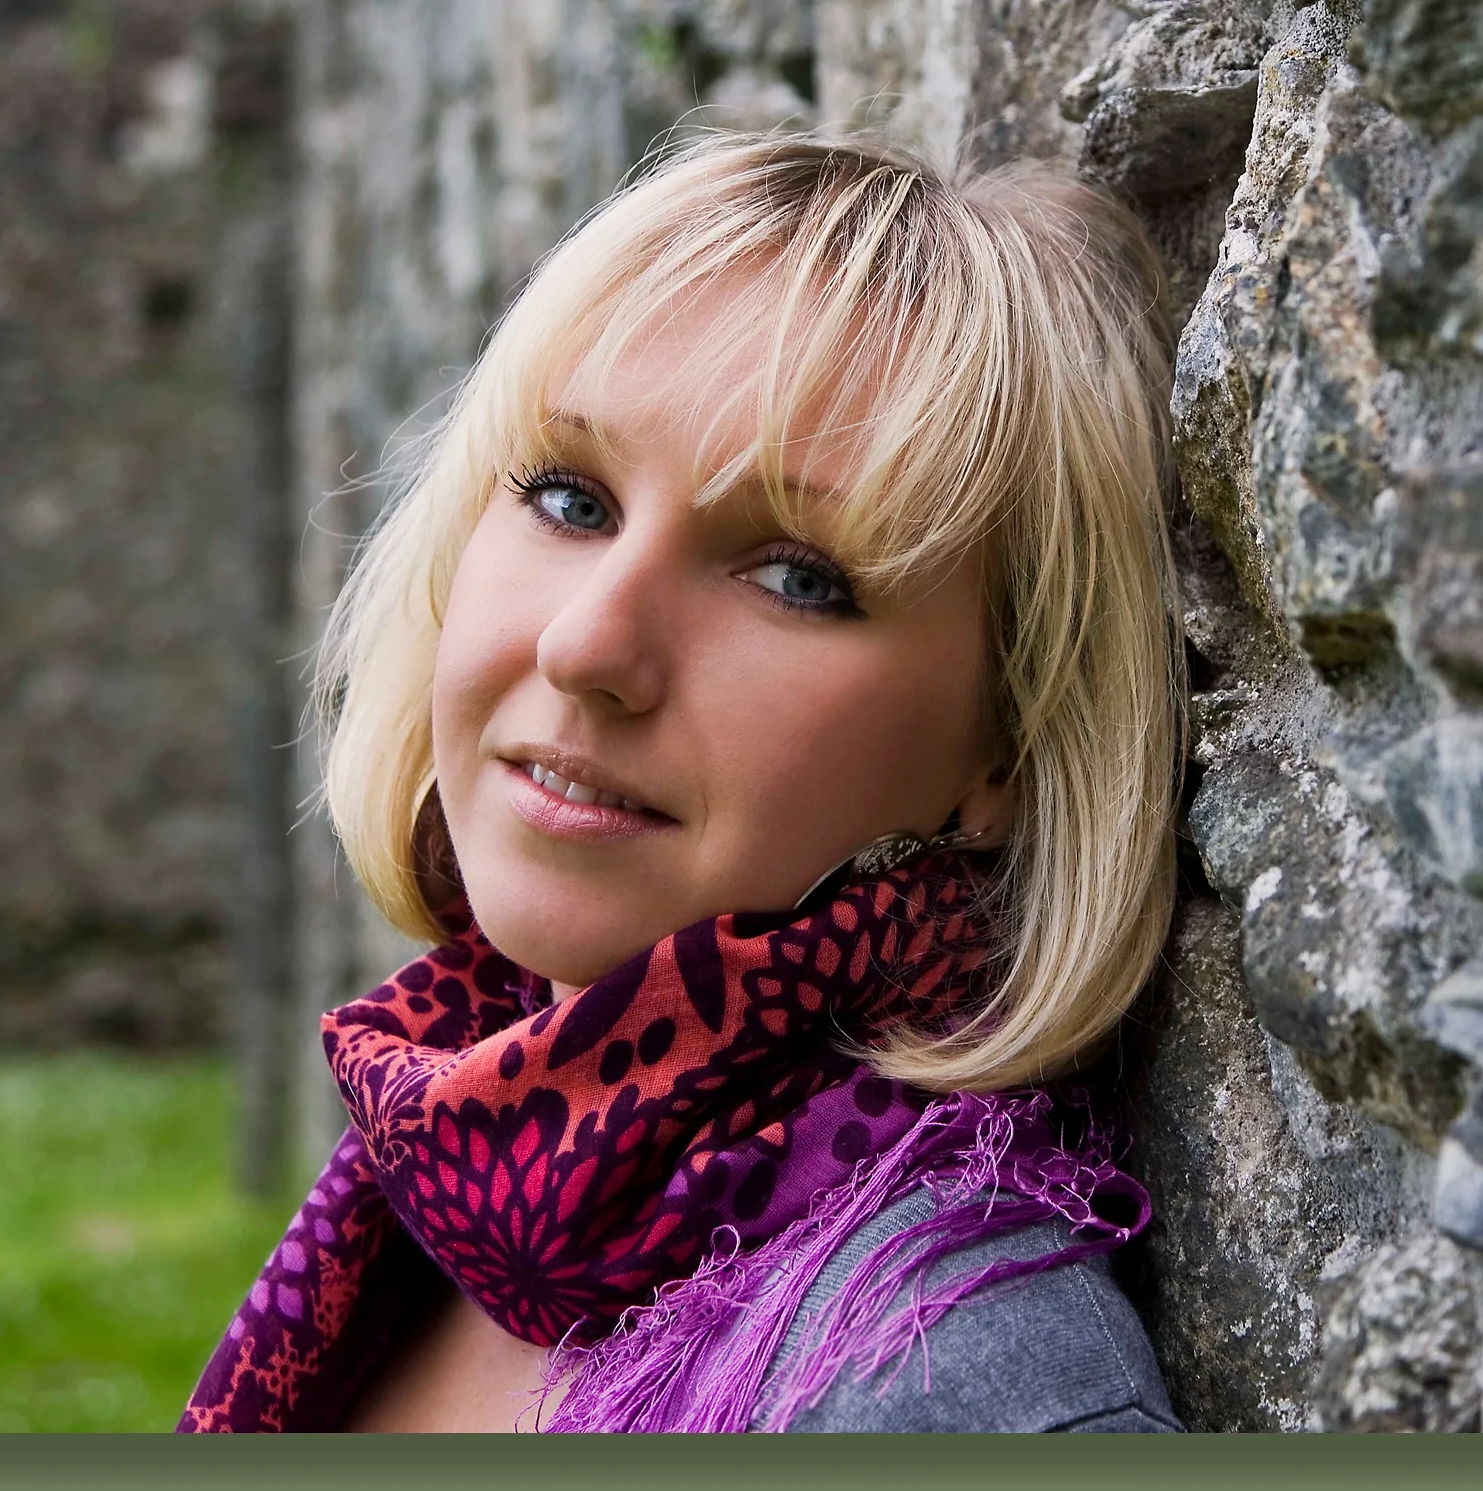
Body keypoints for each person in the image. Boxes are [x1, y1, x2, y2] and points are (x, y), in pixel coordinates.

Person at [180, 130, 1186, 1433]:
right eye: (569, 498)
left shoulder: (960, 1394)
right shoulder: (452, 1158)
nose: (589, 644)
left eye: (795, 578)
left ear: (1005, 744)